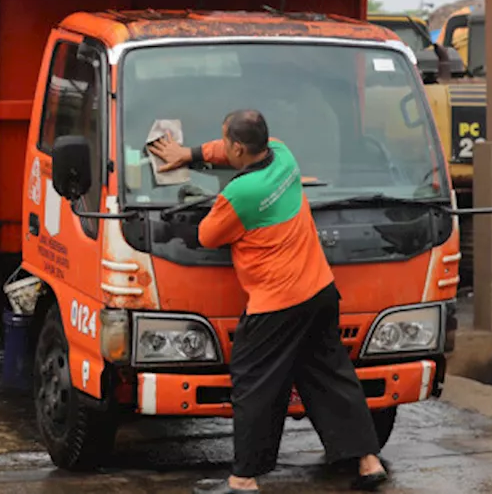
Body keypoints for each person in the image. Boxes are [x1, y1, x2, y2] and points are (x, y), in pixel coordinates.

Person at [149, 110, 388, 494]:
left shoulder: (240, 194)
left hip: (277, 304)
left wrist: (204, 188)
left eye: (225, 141)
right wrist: (190, 153)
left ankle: (244, 479)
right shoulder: (284, 155)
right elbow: (227, 154)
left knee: (255, 385)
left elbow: (209, 236)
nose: (222, 146)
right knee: (331, 377)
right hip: (320, 292)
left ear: (239, 147)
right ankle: (367, 460)